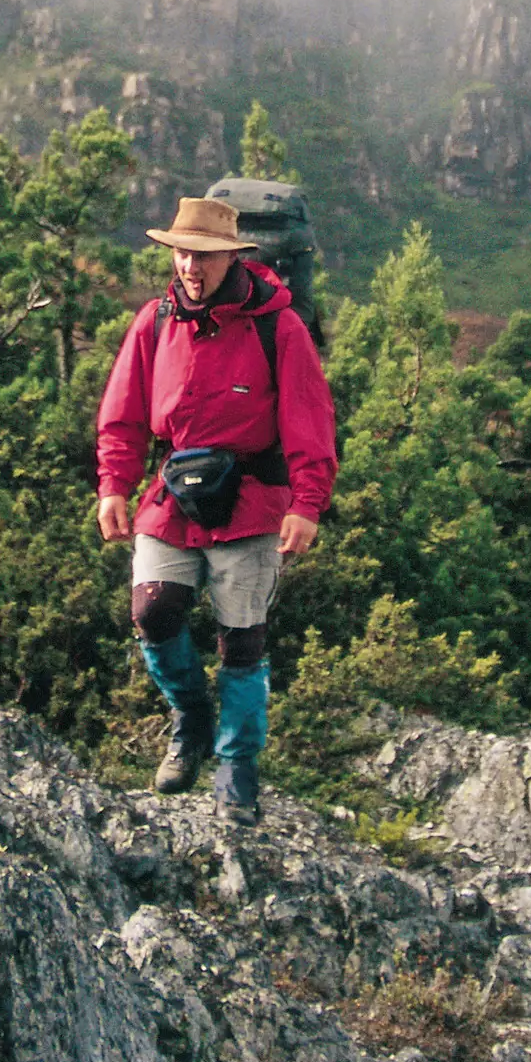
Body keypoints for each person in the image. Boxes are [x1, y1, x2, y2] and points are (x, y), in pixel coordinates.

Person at [94, 195, 338, 824]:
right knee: (154, 610)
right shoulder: (154, 321)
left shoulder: (277, 327)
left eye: (202, 255)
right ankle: (191, 717)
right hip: (172, 497)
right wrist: (114, 486)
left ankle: (237, 772)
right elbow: (122, 414)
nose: (189, 267)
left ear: (233, 256)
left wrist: (307, 503)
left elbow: (310, 421)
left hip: (254, 501)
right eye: (181, 252)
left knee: (242, 644)